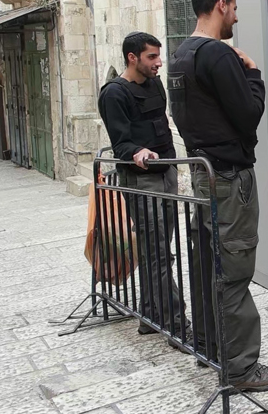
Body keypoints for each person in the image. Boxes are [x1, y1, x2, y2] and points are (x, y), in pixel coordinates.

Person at [167, 0, 268, 392]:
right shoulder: (218, 54)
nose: (236, 16)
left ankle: (210, 347)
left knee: (210, 267)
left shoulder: (181, 54)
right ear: (221, 4)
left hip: (203, 174)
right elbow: (248, 113)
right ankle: (240, 368)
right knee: (234, 273)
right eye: (234, 8)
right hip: (228, 178)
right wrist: (254, 76)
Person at [97, 32, 185, 338]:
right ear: (132, 57)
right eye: (151, 57)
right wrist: (137, 152)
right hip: (142, 179)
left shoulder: (155, 83)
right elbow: (121, 142)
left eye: (159, 56)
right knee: (157, 250)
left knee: (159, 248)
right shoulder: (114, 93)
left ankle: (149, 314)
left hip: (166, 173)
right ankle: (175, 322)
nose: (159, 62)